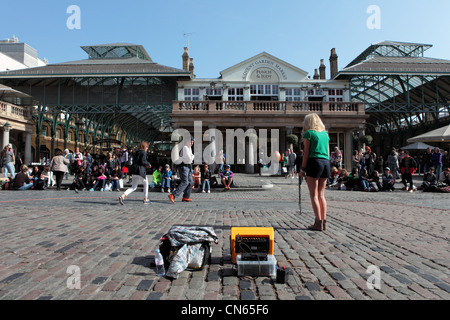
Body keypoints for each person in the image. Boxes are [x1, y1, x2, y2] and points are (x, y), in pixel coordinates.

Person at [299, 113, 330, 232]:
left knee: (313, 194)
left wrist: (302, 169)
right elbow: (327, 151)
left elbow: (306, 153)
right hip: (325, 162)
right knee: (321, 194)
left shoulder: (309, 133)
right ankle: (324, 221)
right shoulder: (325, 135)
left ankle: (318, 222)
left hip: (314, 162)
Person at [169, 138, 195, 203]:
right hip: (183, 166)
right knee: (185, 182)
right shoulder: (185, 148)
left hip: (188, 166)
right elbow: (189, 158)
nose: (192, 143)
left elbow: (190, 159)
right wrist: (192, 157)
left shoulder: (189, 148)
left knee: (190, 182)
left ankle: (186, 196)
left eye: (192, 142)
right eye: (191, 141)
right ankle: (173, 195)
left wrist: (191, 157)